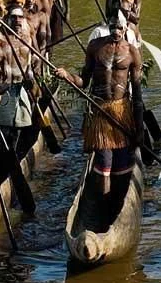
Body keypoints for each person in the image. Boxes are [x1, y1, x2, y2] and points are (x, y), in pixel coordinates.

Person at [56, 11, 144, 196]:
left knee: (121, 162)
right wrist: (68, 76)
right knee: (105, 160)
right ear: (108, 25)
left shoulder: (132, 52)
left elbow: (137, 93)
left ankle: (117, 202)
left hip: (122, 111)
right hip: (100, 110)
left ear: (125, 27)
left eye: (120, 27)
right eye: (113, 27)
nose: (116, 31)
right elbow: (84, 81)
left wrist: (139, 127)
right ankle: (103, 202)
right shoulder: (95, 47)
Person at [0, 7, 36, 157]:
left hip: (21, 87)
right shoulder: (1, 40)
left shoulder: (27, 39)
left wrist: (32, 81)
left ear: (24, 19)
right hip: (5, 88)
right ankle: (2, 158)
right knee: (4, 128)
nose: (17, 20)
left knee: (20, 126)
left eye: (20, 17)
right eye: (13, 17)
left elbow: (29, 64)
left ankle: (13, 156)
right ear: (7, 19)